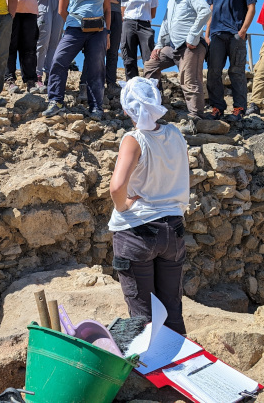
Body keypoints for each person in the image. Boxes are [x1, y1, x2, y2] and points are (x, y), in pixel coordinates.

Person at [109, 77, 190, 334]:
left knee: (142, 315)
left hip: (137, 233)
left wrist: (123, 206)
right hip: (173, 230)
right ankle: (178, 365)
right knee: (172, 308)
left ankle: (147, 369)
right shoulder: (175, 134)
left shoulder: (134, 140)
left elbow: (116, 187)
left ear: (126, 109)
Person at [43, 0, 111, 120]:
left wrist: (108, 32)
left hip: (98, 31)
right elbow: (61, 9)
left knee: (96, 68)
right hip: (74, 29)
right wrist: (76, 23)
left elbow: (107, 10)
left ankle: (96, 107)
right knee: (59, 61)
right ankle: (55, 101)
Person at [143, 0, 211, 118]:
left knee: (189, 80)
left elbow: (205, 11)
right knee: (150, 65)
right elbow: (166, 23)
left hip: (191, 47)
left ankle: (196, 117)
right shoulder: (171, 1)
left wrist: (193, 35)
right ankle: (154, 105)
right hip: (172, 47)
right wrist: (159, 46)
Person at [205, 0, 257, 120]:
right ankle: (217, 107)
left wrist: (243, 31)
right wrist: (206, 34)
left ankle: (239, 108)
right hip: (216, 34)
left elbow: (251, 8)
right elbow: (210, 11)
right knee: (213, 71)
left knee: (236, 72)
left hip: (235, 33)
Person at [80, 0, 131, 100]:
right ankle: (85, 83)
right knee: (94, 49)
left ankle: (111, 83)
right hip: (98, 13)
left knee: (113, 50)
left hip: (116, 14)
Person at [120, 0, 158, 81]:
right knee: (129, 58)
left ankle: (153, 86)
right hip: (128, 23)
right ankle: (132, 85)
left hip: (145, 24)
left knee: (149, 57)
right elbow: (122, 10)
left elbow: (153, 12)